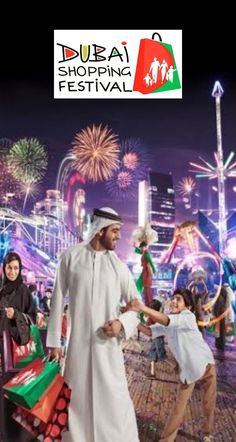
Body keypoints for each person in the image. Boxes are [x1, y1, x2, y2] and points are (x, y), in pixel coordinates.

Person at [46, 207, 140, 442]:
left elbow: (136, 305)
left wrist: (122, 322)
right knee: (76, 405)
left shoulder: (119, 267)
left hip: (108, 352)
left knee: (115, 405)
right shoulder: (70, 257)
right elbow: (57, 298)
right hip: (77, 351)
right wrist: (54, 342)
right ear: (100, 231)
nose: (119, 236)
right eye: (115, 231)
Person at [128, 288, 216, 442]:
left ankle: (208, 433)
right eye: (173, 298)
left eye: (178, 299)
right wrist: (131, 319)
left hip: (207, 366)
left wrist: (141, 307)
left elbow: (167, 320)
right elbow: (149, 331)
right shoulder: (170, 320)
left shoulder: (188, 317)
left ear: (187, 306)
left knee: (208, 404)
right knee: (178, 409)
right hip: (189, 370)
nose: (173, 301)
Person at [0, 252, 37, 442]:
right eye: (9, 268)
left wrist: (17, 315)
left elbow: (34, 319)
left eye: (15, 268)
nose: (12, 272)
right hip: (1, 355)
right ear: (3, 268)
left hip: (18, 357)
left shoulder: (24, 292)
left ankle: (19, 438)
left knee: (15, 398)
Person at [138, 299, 166, 379]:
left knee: (162, 356)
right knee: (152, 355)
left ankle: (176, 367)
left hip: (157, 338)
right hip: (157, 338)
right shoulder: (158, 316)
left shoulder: (152, 317)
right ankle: (152, 373)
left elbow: (147, 327)